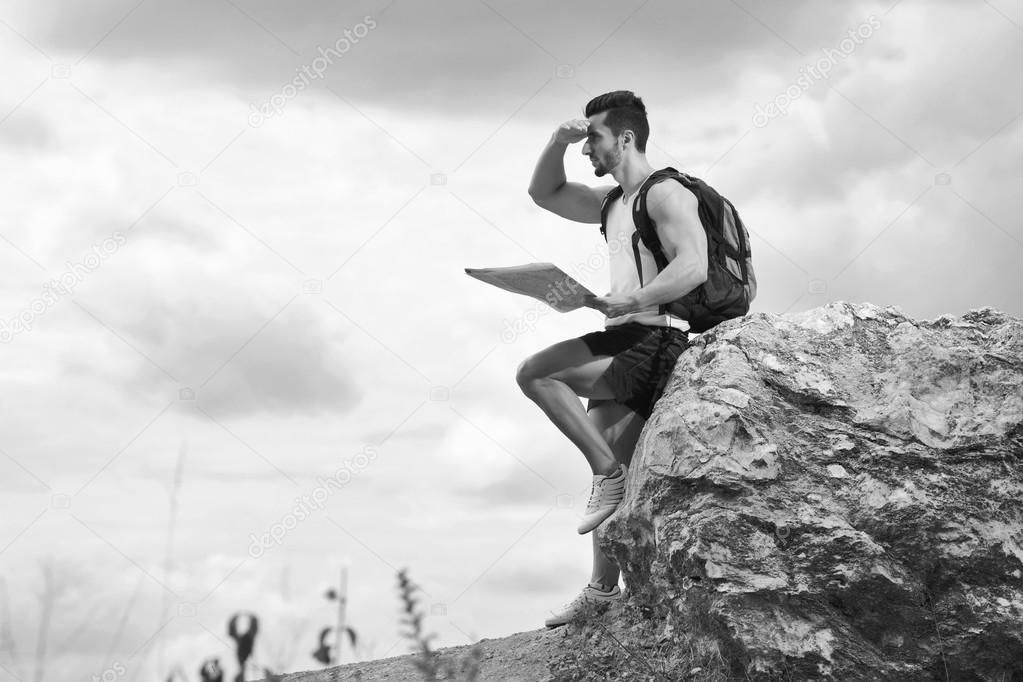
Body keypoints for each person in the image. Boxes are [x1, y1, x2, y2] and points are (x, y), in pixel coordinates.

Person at [519, 90, 708, 627]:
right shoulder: (613, 203)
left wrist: (635, 299)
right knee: (612, 465)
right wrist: (558, 139)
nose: (587, 150)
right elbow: (545, 192)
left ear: (625, 138)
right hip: (622, 334)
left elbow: (693, 265)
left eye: (593, 138)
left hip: (654, 338)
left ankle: (606, 474)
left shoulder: (665, 193)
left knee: (536, 371)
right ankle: (603, 591)